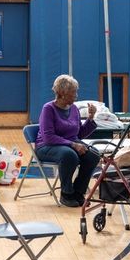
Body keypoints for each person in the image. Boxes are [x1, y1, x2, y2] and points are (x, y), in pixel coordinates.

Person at [35, 74, 100, 208]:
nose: (76, 95)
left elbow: (80, 133)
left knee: (93, 155)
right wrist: (72, 144)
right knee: (69, 155)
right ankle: (66, 193)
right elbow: (48, 137)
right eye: (74, 92)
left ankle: (78, 192)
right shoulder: (48, 108)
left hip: (70, 144)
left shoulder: (74, 109)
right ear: (63, 93)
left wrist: (91, 118)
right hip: (47, 146)